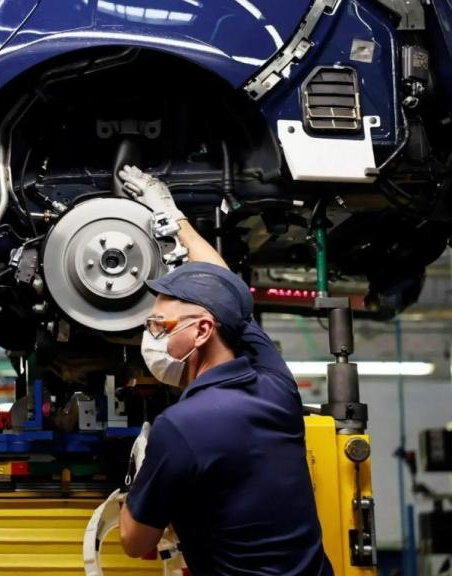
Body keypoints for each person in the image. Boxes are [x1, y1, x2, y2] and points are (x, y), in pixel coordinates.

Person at [115, 166, 333, 575]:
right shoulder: (274, 385)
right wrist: (170, 214)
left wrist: (140, 473)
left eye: (159, 326)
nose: (151, 336)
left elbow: (134, 541)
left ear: (201, 331)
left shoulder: (181, 426)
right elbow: (224, 286)